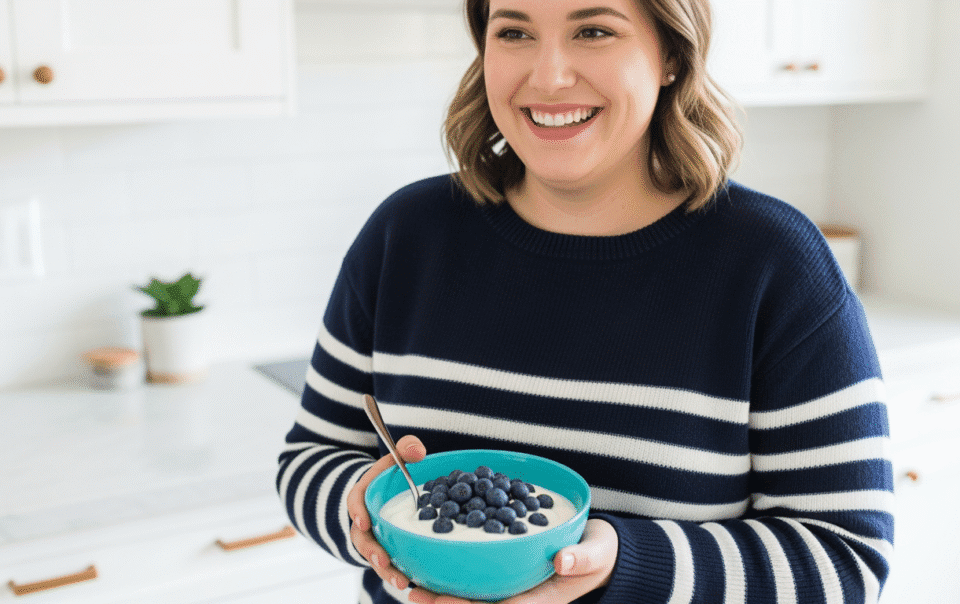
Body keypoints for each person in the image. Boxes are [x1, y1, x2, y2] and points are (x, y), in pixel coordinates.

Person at [276, 0, 894, 602]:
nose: (547, 77)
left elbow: (844, 558)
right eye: (513, 32)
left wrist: (622, 564)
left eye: (595, 30)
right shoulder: (406, 235)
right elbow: (308, 461)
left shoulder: (775, 265)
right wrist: (364, 510)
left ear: (671, 54)